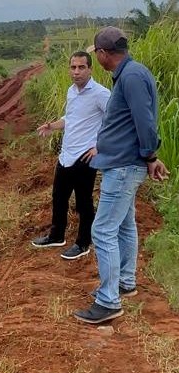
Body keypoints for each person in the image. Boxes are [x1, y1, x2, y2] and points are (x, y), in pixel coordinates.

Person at [74, 27, 169, 324]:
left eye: (97, 54)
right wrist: (148, 157)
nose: (97, 58)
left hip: (124, 166)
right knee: (125, 225)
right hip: (124, 164)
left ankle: (108, 301)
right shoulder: (130, 74)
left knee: (102, 230)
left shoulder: (131, 77)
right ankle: (125, 282)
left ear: (103, 54)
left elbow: (145, 121)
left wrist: (150, 156)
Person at [32, 51, 111, 260]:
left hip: (85, 157)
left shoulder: (101, 94)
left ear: (90, 69)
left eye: (81, 67)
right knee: (59, 197)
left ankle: (83, 243)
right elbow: (71, 118)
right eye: (73, 67)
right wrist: (52, 126)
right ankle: (56, 235)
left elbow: (115, 121)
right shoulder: (71, 91)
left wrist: (99, 147)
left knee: (84, 202)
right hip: (67, 154)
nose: (76, 72)